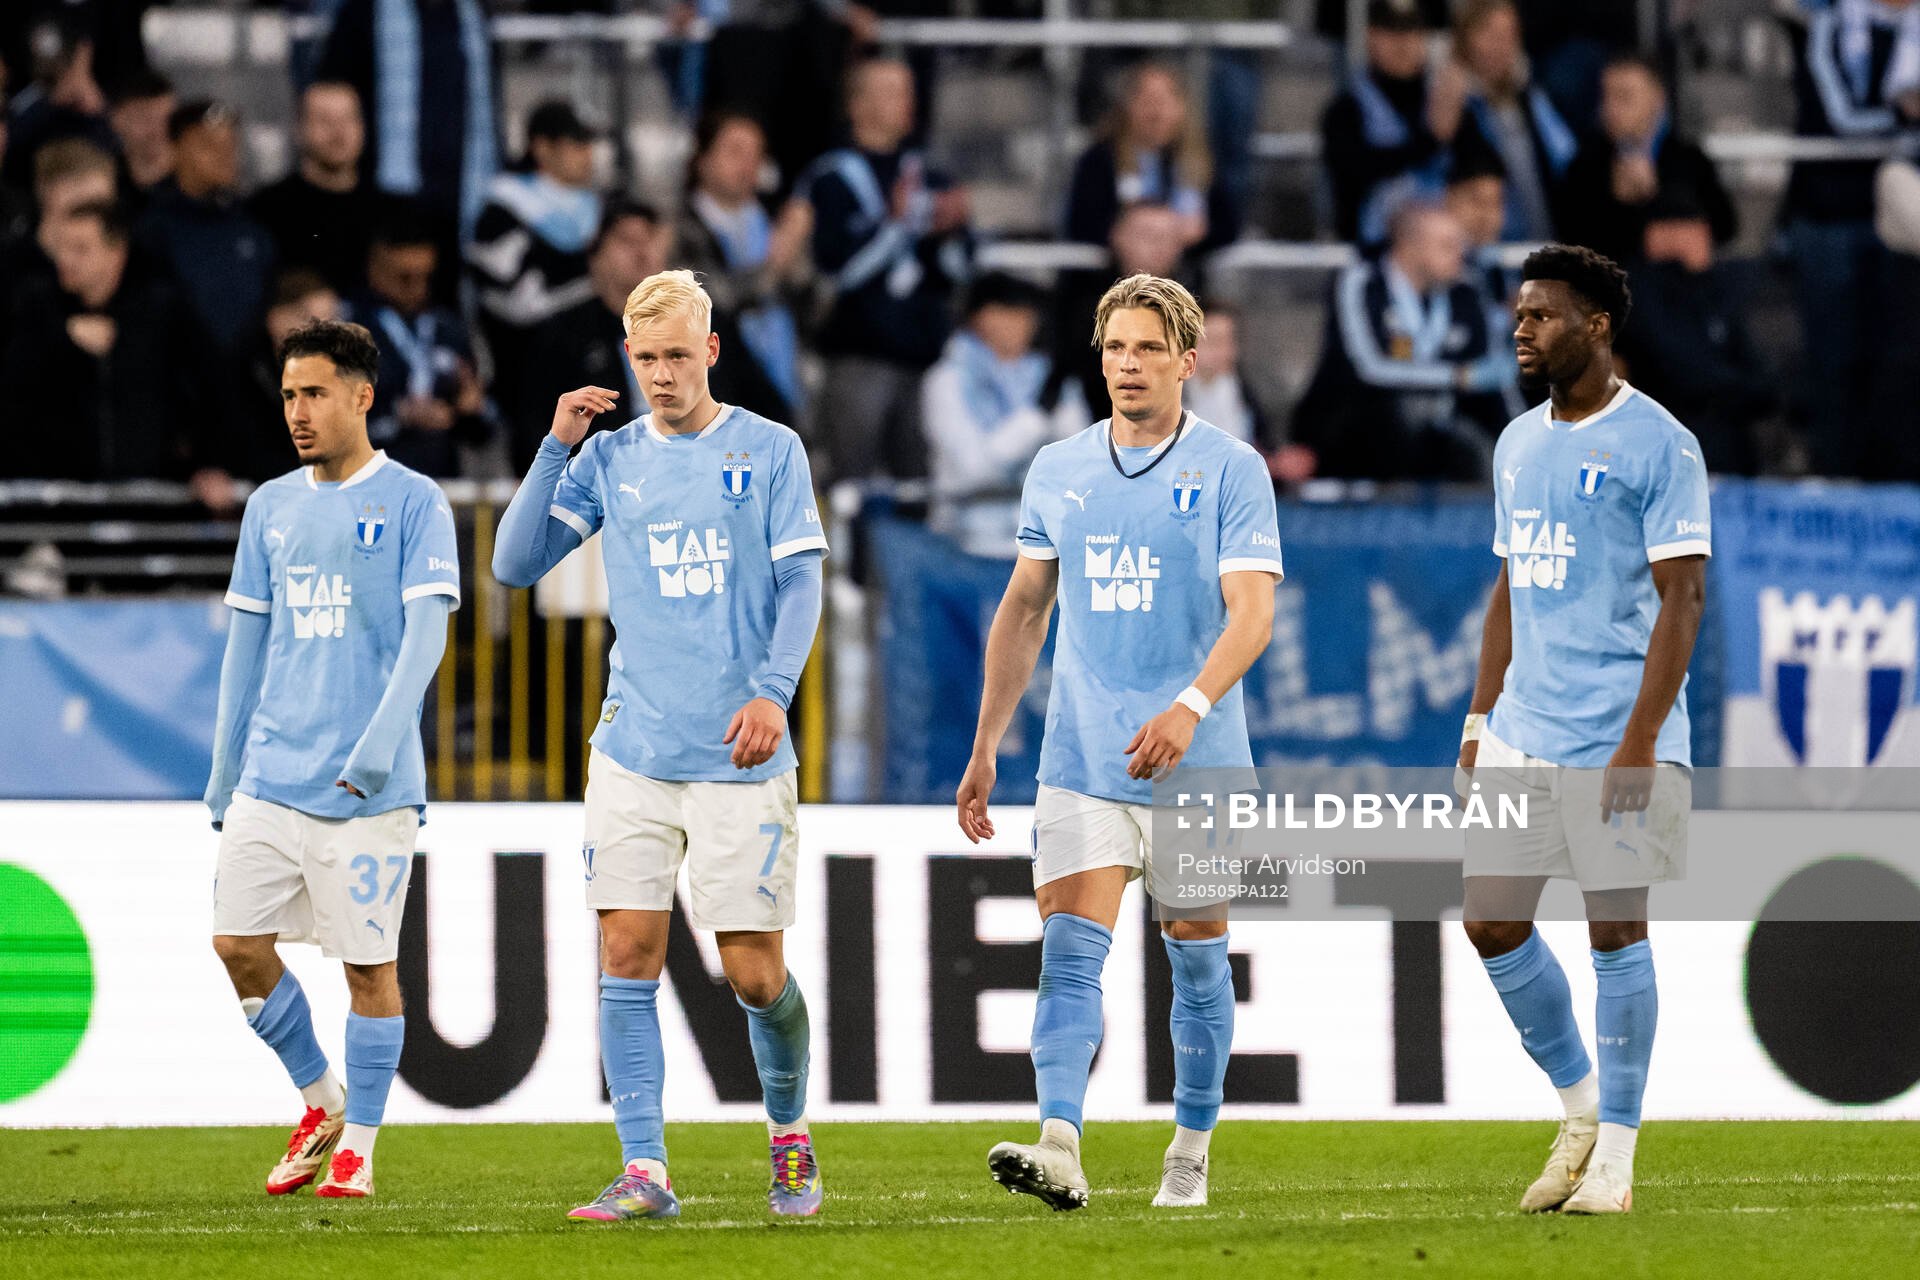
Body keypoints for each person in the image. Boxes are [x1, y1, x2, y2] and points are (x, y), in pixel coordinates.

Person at [491, 270, 829, 1223]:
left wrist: (773, 692)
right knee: (626, 951)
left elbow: (802, 584)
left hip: (737, 753)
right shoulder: (607, 459)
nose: (662, 374)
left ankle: (789, 1134)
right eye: (645, 358)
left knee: (754, 973)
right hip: (632, 748)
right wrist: (556, 446)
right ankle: (646, 1168)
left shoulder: (770, 450)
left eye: (678, 355)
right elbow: (513, 563)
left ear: (710, 350)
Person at [955, 274, 1282, 1212]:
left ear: (1187, 361)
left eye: (1148, 349)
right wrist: (986, 743)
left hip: (1198, 759)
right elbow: (1025, 609)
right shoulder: (1059, 468)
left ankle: (1190, 1152)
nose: (1128, 365)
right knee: (1067, 952)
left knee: (1198, 956)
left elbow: (1252, 614)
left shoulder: (1232, 469)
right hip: (1084, 755)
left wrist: (1188, 707)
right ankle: (1060, 1142)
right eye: (1114, 349)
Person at [1459, 243, 1708, 1216]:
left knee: (1615, 927)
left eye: (1542, 315)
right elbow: (1509, 587)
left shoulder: (1661, 443)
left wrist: (1641, 742)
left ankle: (1618, 1156)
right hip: (1524, 724)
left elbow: (1684, 598)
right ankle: (1581, 1107)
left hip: (1620, 732)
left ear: (1596, 325)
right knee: (1490, 920)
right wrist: (1480, 716)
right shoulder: (1516, 443)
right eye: (1519, 314)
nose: (1521, 330)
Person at [205, 317, 461, 1202]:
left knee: (368, 972)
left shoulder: (415, 501)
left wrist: (380, 747)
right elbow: (246, 644)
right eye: (288, 396)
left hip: (368, 789)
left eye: (314, 394)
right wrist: (224, 767)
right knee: (237, 944)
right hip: (271, 774)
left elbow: (425, 637)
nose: (298, 413)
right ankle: (322, 1101)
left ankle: (360, 1147)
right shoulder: (270, 507)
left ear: (362, 396)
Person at [799, 56, 971, 483]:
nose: (907, 102)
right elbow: (836, 271)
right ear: (857, 105)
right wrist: (894, 227)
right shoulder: (831, 178)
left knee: (919, 487)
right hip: (859, 357)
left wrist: (950, 233)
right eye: (892, 92)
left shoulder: (929, 175)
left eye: (909, 91)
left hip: (924, 358)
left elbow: (960, 272)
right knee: (850, 485)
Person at [1779, 0, 1920, 477]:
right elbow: (1838, 116)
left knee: (1894, 364)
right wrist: (1902, 117)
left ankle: (1887, 481)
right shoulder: (1829, 26)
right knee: (1834, 363)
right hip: (1830, 217)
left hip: (1900, 227)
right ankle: (1835, 479)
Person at [1291, 201, 1515, 480]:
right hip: (1359, 425)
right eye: (1447, 245)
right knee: (1400, 417)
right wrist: (1458, 377)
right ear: (1411, 247)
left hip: (1439, 429)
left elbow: (1493, 372)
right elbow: (1369, 367)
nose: (1460, 254)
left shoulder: (1466, 289)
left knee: (1478, 441)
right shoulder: (1360, 282)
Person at [0, 199, 215, 481]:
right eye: (61, 248)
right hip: (58, 495)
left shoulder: (161, 311)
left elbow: (206, 391)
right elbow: (13, 393)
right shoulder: (37, 308)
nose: (65, 259)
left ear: (116, 253)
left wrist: (205, 463)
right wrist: (61, 337)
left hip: (150, 492)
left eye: (80, 249)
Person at [314, 0, 499, 294]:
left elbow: (490, 106)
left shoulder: (472, 13)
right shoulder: (365, 11)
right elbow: (334, 91)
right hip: (385, 198)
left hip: (461, 198)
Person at [921, 271, 1087, 556]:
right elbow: (973, 470)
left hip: (1039, 545)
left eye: (1027, 315)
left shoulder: (1050, 379)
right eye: (1009, 313)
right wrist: (1035, 420)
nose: (1021, 325)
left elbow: (1082, 462)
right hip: (963, 544)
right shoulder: (947, 380)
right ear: (979, 317)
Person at [1613, 195, 1773, 475]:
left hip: (1730, 442)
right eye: (1695, 229)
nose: (1705, 239)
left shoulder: (1714, 290)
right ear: (1661, 233)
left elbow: (1762, 385)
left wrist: (1741, 389)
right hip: (1669, 447)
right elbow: (1680, 369)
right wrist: (1736, 387)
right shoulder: (1638, 294)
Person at [675, 110, 812, 427]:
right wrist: (776, 264)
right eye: (735, 151)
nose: (748, 165)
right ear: (702, 158)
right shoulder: (682, 228)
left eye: (756, 155)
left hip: (784, 383)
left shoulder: (771, 221)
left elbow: (816, 306)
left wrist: (800, 261)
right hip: (722, 391)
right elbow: (715, 302)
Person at [467, 100, 603, 418]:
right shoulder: (503, 209)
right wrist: (589, 288)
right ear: (541, 147)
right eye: (576, 143)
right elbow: (510, 302)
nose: (588, 154)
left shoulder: (597, 208)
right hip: (526, 372)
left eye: (590, 144)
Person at [512, 197, 670, 466]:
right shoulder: (562, 336)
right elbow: (534, 430)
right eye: (627, 241)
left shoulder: (701, 326)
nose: (641, 252)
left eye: (649, 239)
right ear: (595, 254)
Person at [346, 210, 494, 477]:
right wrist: (398, 416)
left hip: (442, 481)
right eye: (405, 278)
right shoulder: (349, 332)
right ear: (374, 270)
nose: (418, 288)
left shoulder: (448, 329)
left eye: (426, 277)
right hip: (367, 479)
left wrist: (471, 409)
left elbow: (483, 430)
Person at [1556, 54, 1737, 266]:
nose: (1611, 108)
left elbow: (1724, 227)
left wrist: (1657, 193)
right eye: (1606, 96)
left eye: (1624, 97)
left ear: (1657, 98)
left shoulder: (1689, 158)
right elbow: (1571, 236)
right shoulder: (1586, 163)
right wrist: (1619, 202)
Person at [136, 100, 277, 355]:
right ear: (175, 149)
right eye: (209, 145)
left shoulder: (251, 224)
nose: (224, 155)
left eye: (230, 145)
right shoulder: (150, 228)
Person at [1430, 0, 1578, 242]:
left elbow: (1567, 158)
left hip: (1537, 238)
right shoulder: (1447, 95)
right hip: (1473, 242)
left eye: (1509, 35)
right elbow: (1433, 169)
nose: (1499, 44)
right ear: (1465, 37)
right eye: (1489, 33)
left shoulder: (1528, 97)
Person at [1055, 201, 1194, 422]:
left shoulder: (1194, 301)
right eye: (1148, 235)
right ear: (1118, 236)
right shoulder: (1086, 304)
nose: (1160, 245)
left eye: (1169, 237)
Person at [1321, 0, 1446, 244]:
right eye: (1391, 32)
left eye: (1411, 32)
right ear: (1371, 37)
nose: (1403, 43)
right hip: (1370, 252)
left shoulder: (1444, 103)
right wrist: (1430, 141)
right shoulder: (1346, 110)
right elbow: (1357, 171)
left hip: (1445, 253)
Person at [1066, 62, 1222, 252]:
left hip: (1186, 265)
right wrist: (1130, 236)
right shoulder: (1100, 159)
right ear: (1127, 106)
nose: (1157, 113)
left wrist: (1189, 235)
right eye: (1147, 101)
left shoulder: (1199, 160)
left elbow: (1225, 228)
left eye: (1165, 102)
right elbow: (1082, 226)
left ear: (1182, 107)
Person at [250, 82, 386, 296]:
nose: (338, 132)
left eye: (348, 119)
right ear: (299, 129)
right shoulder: (265, 210)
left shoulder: (391, 214)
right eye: (324, 120)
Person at [107, 69, 174, 198]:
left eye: (167, 119)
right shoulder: (102, 182)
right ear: (117, 119)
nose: (159, 130)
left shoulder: (197, 183)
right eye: (146, 119)